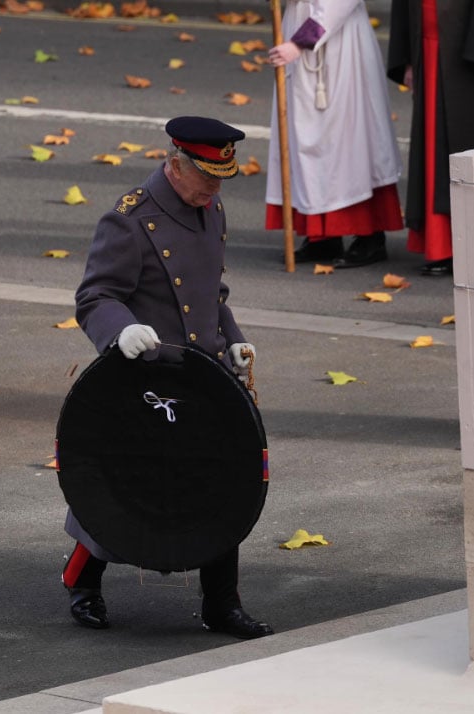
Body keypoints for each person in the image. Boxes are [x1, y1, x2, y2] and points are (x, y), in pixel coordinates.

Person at [61, 116, 274, 640]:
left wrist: (234, 339)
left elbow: (211, 295)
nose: (215, 189)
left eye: (221, 179)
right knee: (126, 487)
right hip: (145, 380)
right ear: (176, 165)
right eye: (207, 177)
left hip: (202, 378)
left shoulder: (210, 208)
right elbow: (94, 297)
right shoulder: (131, 220)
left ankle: (221, 604)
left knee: (222, 482)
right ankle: (83, 580)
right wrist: (122, 331)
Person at [265, 0, 404, 267]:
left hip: (340, 42)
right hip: (299, 24)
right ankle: (322, 237)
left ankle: (369, 236)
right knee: (305, 136)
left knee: (348, 139)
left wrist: (301, 41)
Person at [387, 0, 474, 276]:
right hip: (428, 47)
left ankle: (465, 246)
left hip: (463, 50)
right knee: (434, 152)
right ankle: (442, 246)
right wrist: (408, 57)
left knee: (464, 147)